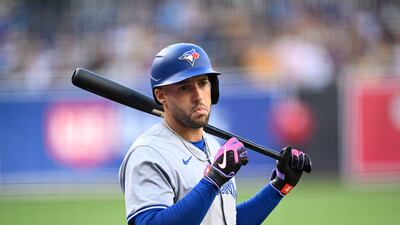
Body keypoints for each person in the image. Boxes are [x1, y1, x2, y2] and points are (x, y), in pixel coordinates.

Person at [118, 43, 312, 225]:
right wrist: (213, 180)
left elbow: (227, 220)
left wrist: (278, 187)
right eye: (185, 87)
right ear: (161, 96)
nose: (197, 95)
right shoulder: (148, 153)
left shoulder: (213, 146)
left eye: (202, 83)